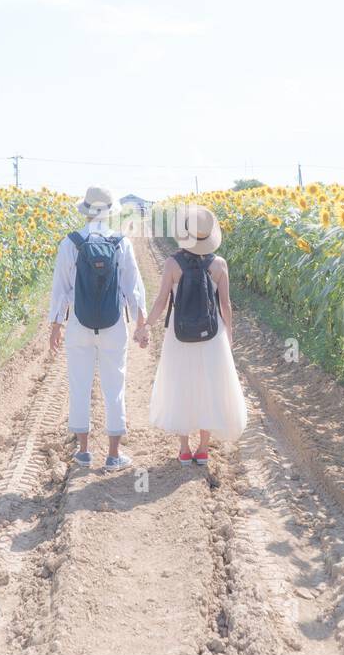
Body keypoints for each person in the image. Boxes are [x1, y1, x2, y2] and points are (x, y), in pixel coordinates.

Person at [48, 186, 148, 470]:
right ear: (110, 212)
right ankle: (114, 455)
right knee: (114, 386)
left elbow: (60, 289)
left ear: (86, 211)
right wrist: (140, 323)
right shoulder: (121, 243)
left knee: (79, 384)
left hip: (79, 324)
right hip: (113, 324)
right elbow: (133, 288)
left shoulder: (70, 243)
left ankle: (83, 452)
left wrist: (56, 325)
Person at [143, 204, 247, 465]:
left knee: (181, 386)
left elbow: (161, 302)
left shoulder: (172, 264)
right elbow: (225, 305)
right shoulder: (219, 264)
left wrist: (146, 326)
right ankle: (202, 449)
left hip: (179, 335)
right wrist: (229, 334)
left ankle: (183, 449)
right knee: (208, 387)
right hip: (212, 334)